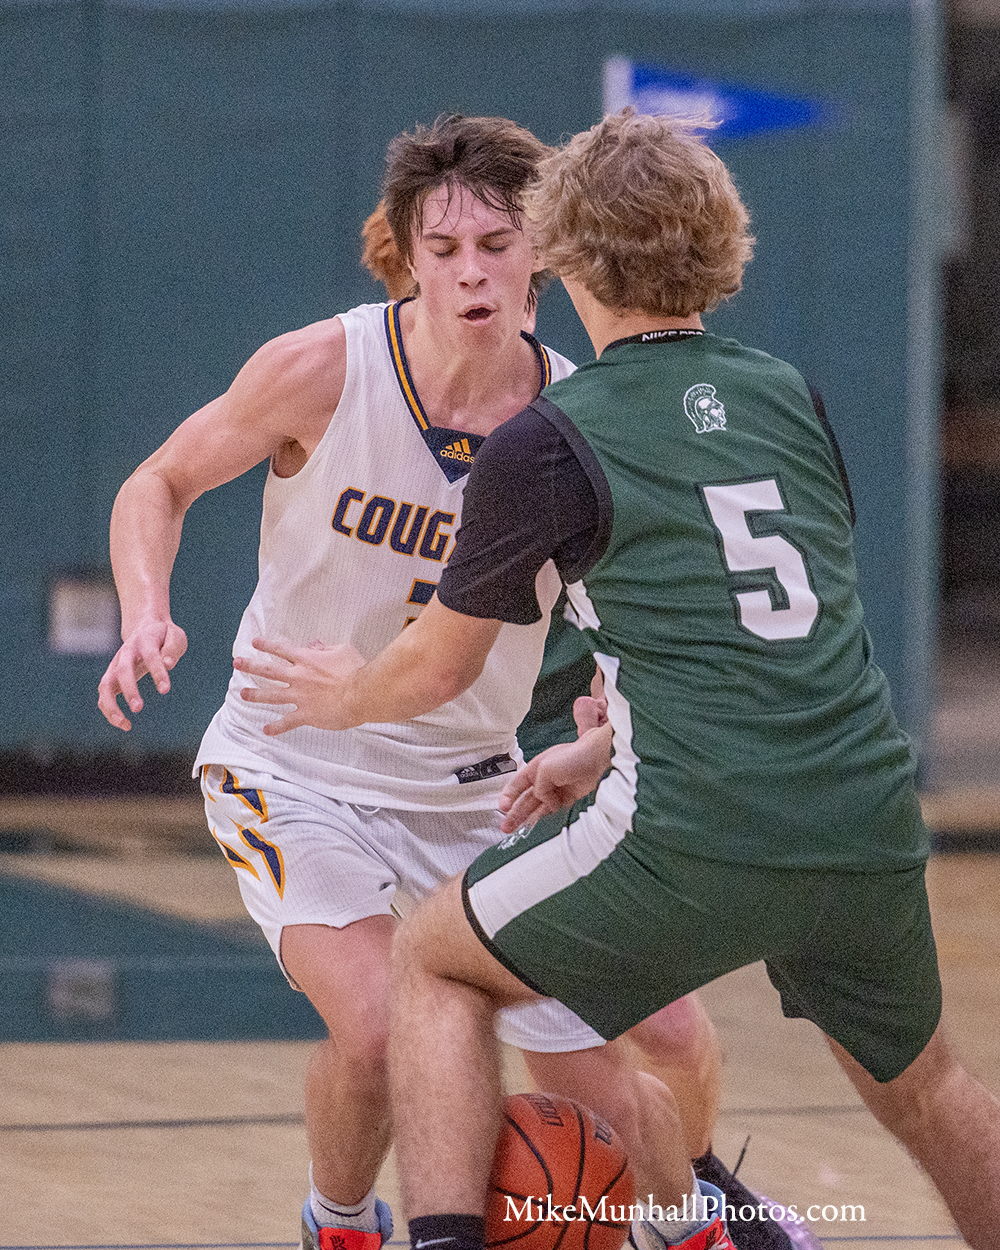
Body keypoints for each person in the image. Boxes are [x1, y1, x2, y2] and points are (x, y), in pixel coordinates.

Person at [237, 109, 1000, 1250]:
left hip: (700, 828)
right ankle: (688, 1217)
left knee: (434, 963)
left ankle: (457, 1234)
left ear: (560, 250)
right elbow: (764, 634)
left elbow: (438, 666)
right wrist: (596, 746)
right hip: (864, 815)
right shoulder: (788, 393)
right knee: (930, 1087)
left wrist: (343, 697)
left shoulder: (550, 435)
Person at [95, 114, 777, 1250]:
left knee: (655, 1040)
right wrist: (146, 610)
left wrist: (606, 716)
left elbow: (646, 614)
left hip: (478, 789)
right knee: (375, 1032)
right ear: (407, 255)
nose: (471, 272)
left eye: (497, 245)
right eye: (445, 248)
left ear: (543, 253)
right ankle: (341, 1222)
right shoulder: (325, 368)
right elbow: (158, 481)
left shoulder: (581, 417)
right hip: (295, 766)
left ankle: (694, 1213)